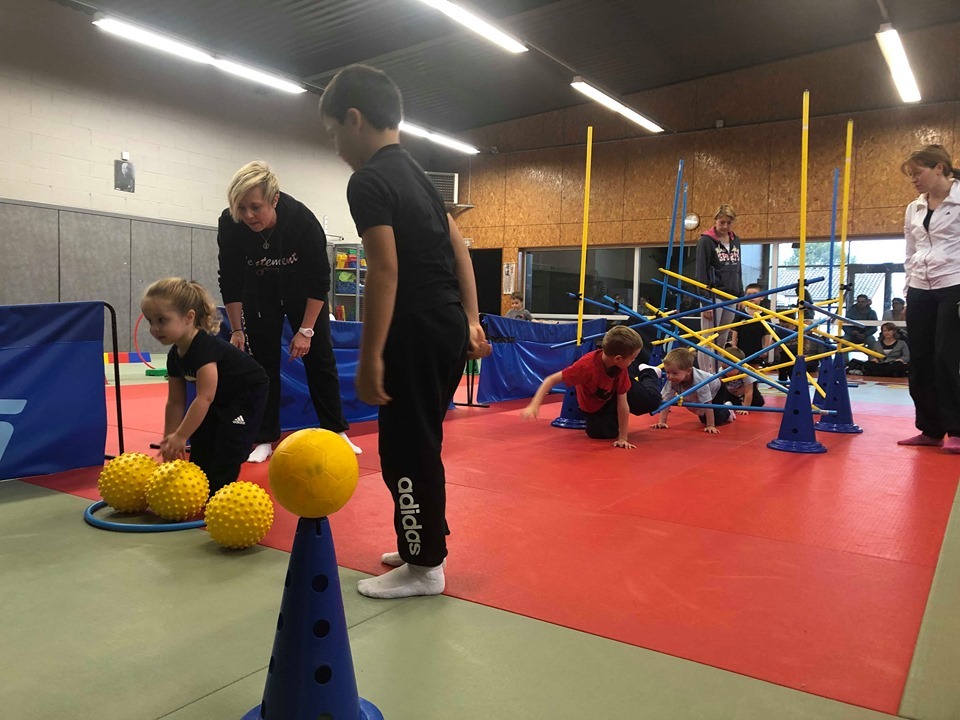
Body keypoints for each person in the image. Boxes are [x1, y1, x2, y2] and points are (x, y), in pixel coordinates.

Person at [320, 64, 491, 598]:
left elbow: (384, 269)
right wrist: (471, 319)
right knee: (421, 443)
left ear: (354, 119)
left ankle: (424, 565)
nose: (335, 146)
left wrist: (371, 354)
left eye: (333, 133)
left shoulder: (368, 180)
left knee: (404, 451)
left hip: (414, 331)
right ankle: (422, 542)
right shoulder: (418, 173)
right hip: (445, 326)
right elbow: (460, 251)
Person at [217, 161, 359, 463]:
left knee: (320, 358)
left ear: (274, 200)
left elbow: (320, 280)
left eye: (255, 207)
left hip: (302, 291)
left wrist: (306, 330)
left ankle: (336, 430)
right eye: (241, 208)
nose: (248, 216)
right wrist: (237, 329)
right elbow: (229, 279)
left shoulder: (301, 220)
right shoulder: (231, 224)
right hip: (259, 292)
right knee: (263, 365)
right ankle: (265, 437)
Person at [141, 278, 269, 495]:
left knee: (229, 448)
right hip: (220, 395)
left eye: (162, 320)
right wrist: (170, 438)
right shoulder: (174, 356)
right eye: (150, 321)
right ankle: (200, 490)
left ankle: (219, 494)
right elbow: (175, 402)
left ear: (189, 317)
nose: (154, 328)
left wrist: (181, 436)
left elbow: (204, 398)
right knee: (201, 444)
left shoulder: (204, 348)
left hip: (246, 393)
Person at [897, 144, 960, 452]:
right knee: (920, 359)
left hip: (954, 283)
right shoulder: (914, 208)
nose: (914, 180)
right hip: (920, 288)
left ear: (939, 168)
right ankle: (930, 429)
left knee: (946, 357)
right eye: (910, 175)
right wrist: (908, 292)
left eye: (917, 173)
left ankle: (957, 428)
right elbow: (910, 252)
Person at [519, 326, 661, 446]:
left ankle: (649, 372)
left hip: (615, 391)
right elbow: (550, 380)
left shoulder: (620, 368)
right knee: (602, 434)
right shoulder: (586, 367)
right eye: (633, 359)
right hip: (599, 404)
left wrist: (623, 438)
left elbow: (622, 402)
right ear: (617, 358)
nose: (632, 362)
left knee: (653, 402)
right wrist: (534, 404)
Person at [695, 204, 743, 374]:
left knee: (722, 337)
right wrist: (705, 300)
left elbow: (738, 268)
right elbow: (701, 272)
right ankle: (705, 374)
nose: (725, 226)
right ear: (715, 220)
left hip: (731, 295)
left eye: (729, 223)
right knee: (708, 338)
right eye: (722, 222)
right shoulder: (706, 241)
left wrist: (740, 294)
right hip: (714, 295)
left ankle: (716, 372)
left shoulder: (735, 240)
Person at [652, 347, 734, 434]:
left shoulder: (699, 381)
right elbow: (667, 401)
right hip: (701, 392)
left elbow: (707, 404)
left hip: (717, 389)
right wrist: (662, 421)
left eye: (675, 373)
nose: (670, 376)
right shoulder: (672, 380)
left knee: (716, 418)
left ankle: (728, 410)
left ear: (688, 371)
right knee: (703, 419)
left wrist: (710, 425)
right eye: (667, 372)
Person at [730, 283, 771, 365]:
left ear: (762, 297)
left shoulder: (765, 315)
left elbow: (767, 333)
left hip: (757, 348)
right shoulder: (741, 313)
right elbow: (735, 330)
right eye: (749, 295)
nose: (752, 297)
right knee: (741, 367)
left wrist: (765, 348)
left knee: (755, 367)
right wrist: (734, 345)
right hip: (741, 348)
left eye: (755, 294)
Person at [723, 347, 764, 411]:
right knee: (732, 404)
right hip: (731, 392)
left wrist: (745, 408)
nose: (727, 371)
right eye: (724, 368)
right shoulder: (721, 371)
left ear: (740, 366)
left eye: (731, 369)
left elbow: (748, 392)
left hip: (746, 390)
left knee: (758, 403)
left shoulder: (746, 373)